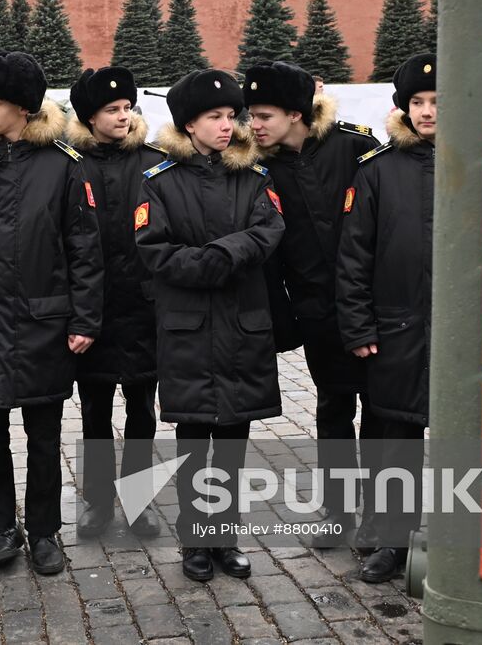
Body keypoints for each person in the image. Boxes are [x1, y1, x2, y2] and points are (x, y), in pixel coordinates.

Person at [0, 52, 103, 576]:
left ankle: (46, 531)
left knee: (44, 436)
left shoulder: (65, 167)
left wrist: (84, 320)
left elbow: (85, 249)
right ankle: (0, 528)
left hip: (42, 323)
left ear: (24, 109)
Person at [135, 69, 286, 583]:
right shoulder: (158, 180)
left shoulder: (254, 177)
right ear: (188, 124)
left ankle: (227, 537)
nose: (227, 126)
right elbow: (153, 249)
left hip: (242, 326)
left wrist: (223, 253)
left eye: (231, 116)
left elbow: (269, 230)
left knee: (234, 441)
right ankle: (195, 540)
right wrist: (209, 265)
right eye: (214, 118)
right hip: (188, 328)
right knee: (193, 438)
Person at [245, 61, 378, 546]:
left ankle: (383, 518)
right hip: (316, 311)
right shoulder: (262, 168)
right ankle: (339, 511)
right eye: (251, 115)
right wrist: (286, 322)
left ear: (297, 114)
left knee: (381, 413)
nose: (253, 125)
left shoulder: (355, 148)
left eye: (264, 115)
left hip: (371, 308)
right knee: (334, 407)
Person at [336, 52, 437, 584]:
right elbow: (355, 257)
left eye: (437, 102)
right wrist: (358, 327)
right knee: (396, 442)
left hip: (463, 334)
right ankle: (391, 542)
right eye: (417, 102)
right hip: (398, 330)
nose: (427, 112)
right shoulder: (378, 170)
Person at [65, 67, 166, 539]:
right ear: (90, 117)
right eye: (112, 110)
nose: (123, 116)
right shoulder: (70, 163)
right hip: (92, 309)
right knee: (95, 410)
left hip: (143, 307)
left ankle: (139, 501)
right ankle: (98, 501)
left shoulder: (152, 161)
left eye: (128, 107)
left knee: (143, 409)